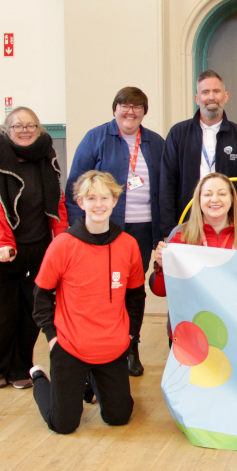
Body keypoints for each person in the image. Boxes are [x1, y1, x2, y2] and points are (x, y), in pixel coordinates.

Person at [31, 170, 145, 434]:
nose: (98, 204)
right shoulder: (62, 245)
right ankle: (39, 377)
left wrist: (131, 336)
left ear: (115, 201)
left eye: (105, 197)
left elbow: (135, 296)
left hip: (112, 347)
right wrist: (52, 338)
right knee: (63, 425)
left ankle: (92, 381)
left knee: (119, 417)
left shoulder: (128, 245)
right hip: (70, 347)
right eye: (91, 198)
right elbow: (41, 296)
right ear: (80, 202)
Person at [66, 87, 164, 376]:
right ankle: (98, 348)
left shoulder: (155, 142)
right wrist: (78, 230)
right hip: (103, 230)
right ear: (114, 109)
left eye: (137, 107)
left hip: (144, 229)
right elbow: (75, 186)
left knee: (133, 291)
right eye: (125, 105)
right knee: (104, 289)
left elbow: (165, 189)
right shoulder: (95, 138)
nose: (130, 112)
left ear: (144, 112)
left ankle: (130, 346)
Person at [0, 107, 68, 390]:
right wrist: (3, 244)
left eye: (30, 125)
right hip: (8, 249)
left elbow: (57, 204)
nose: (24, 130)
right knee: (4, 312)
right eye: (17, 126)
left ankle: (20, 367)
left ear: (39, 129)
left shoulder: (47, 159)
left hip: (41, 248)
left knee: (32, 312)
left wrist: (60, 241)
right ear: (6, 131)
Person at [160, 69, 237, 238]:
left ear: (226, 96)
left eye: (216, 91)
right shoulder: (178, 133)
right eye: (205, 92)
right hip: (187, 222)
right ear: (197, 98)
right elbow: (167, 183)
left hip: (227, 226)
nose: (211, 97)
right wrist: (168, 231)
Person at [151, 172, 237, 298]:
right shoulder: (180, 235)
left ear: (232, 199)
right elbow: (160, 292)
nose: (214, 199)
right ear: (199, 199)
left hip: (233, 312)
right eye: (207, 194)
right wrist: (161, 266)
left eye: (222, 194)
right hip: (192, 314)